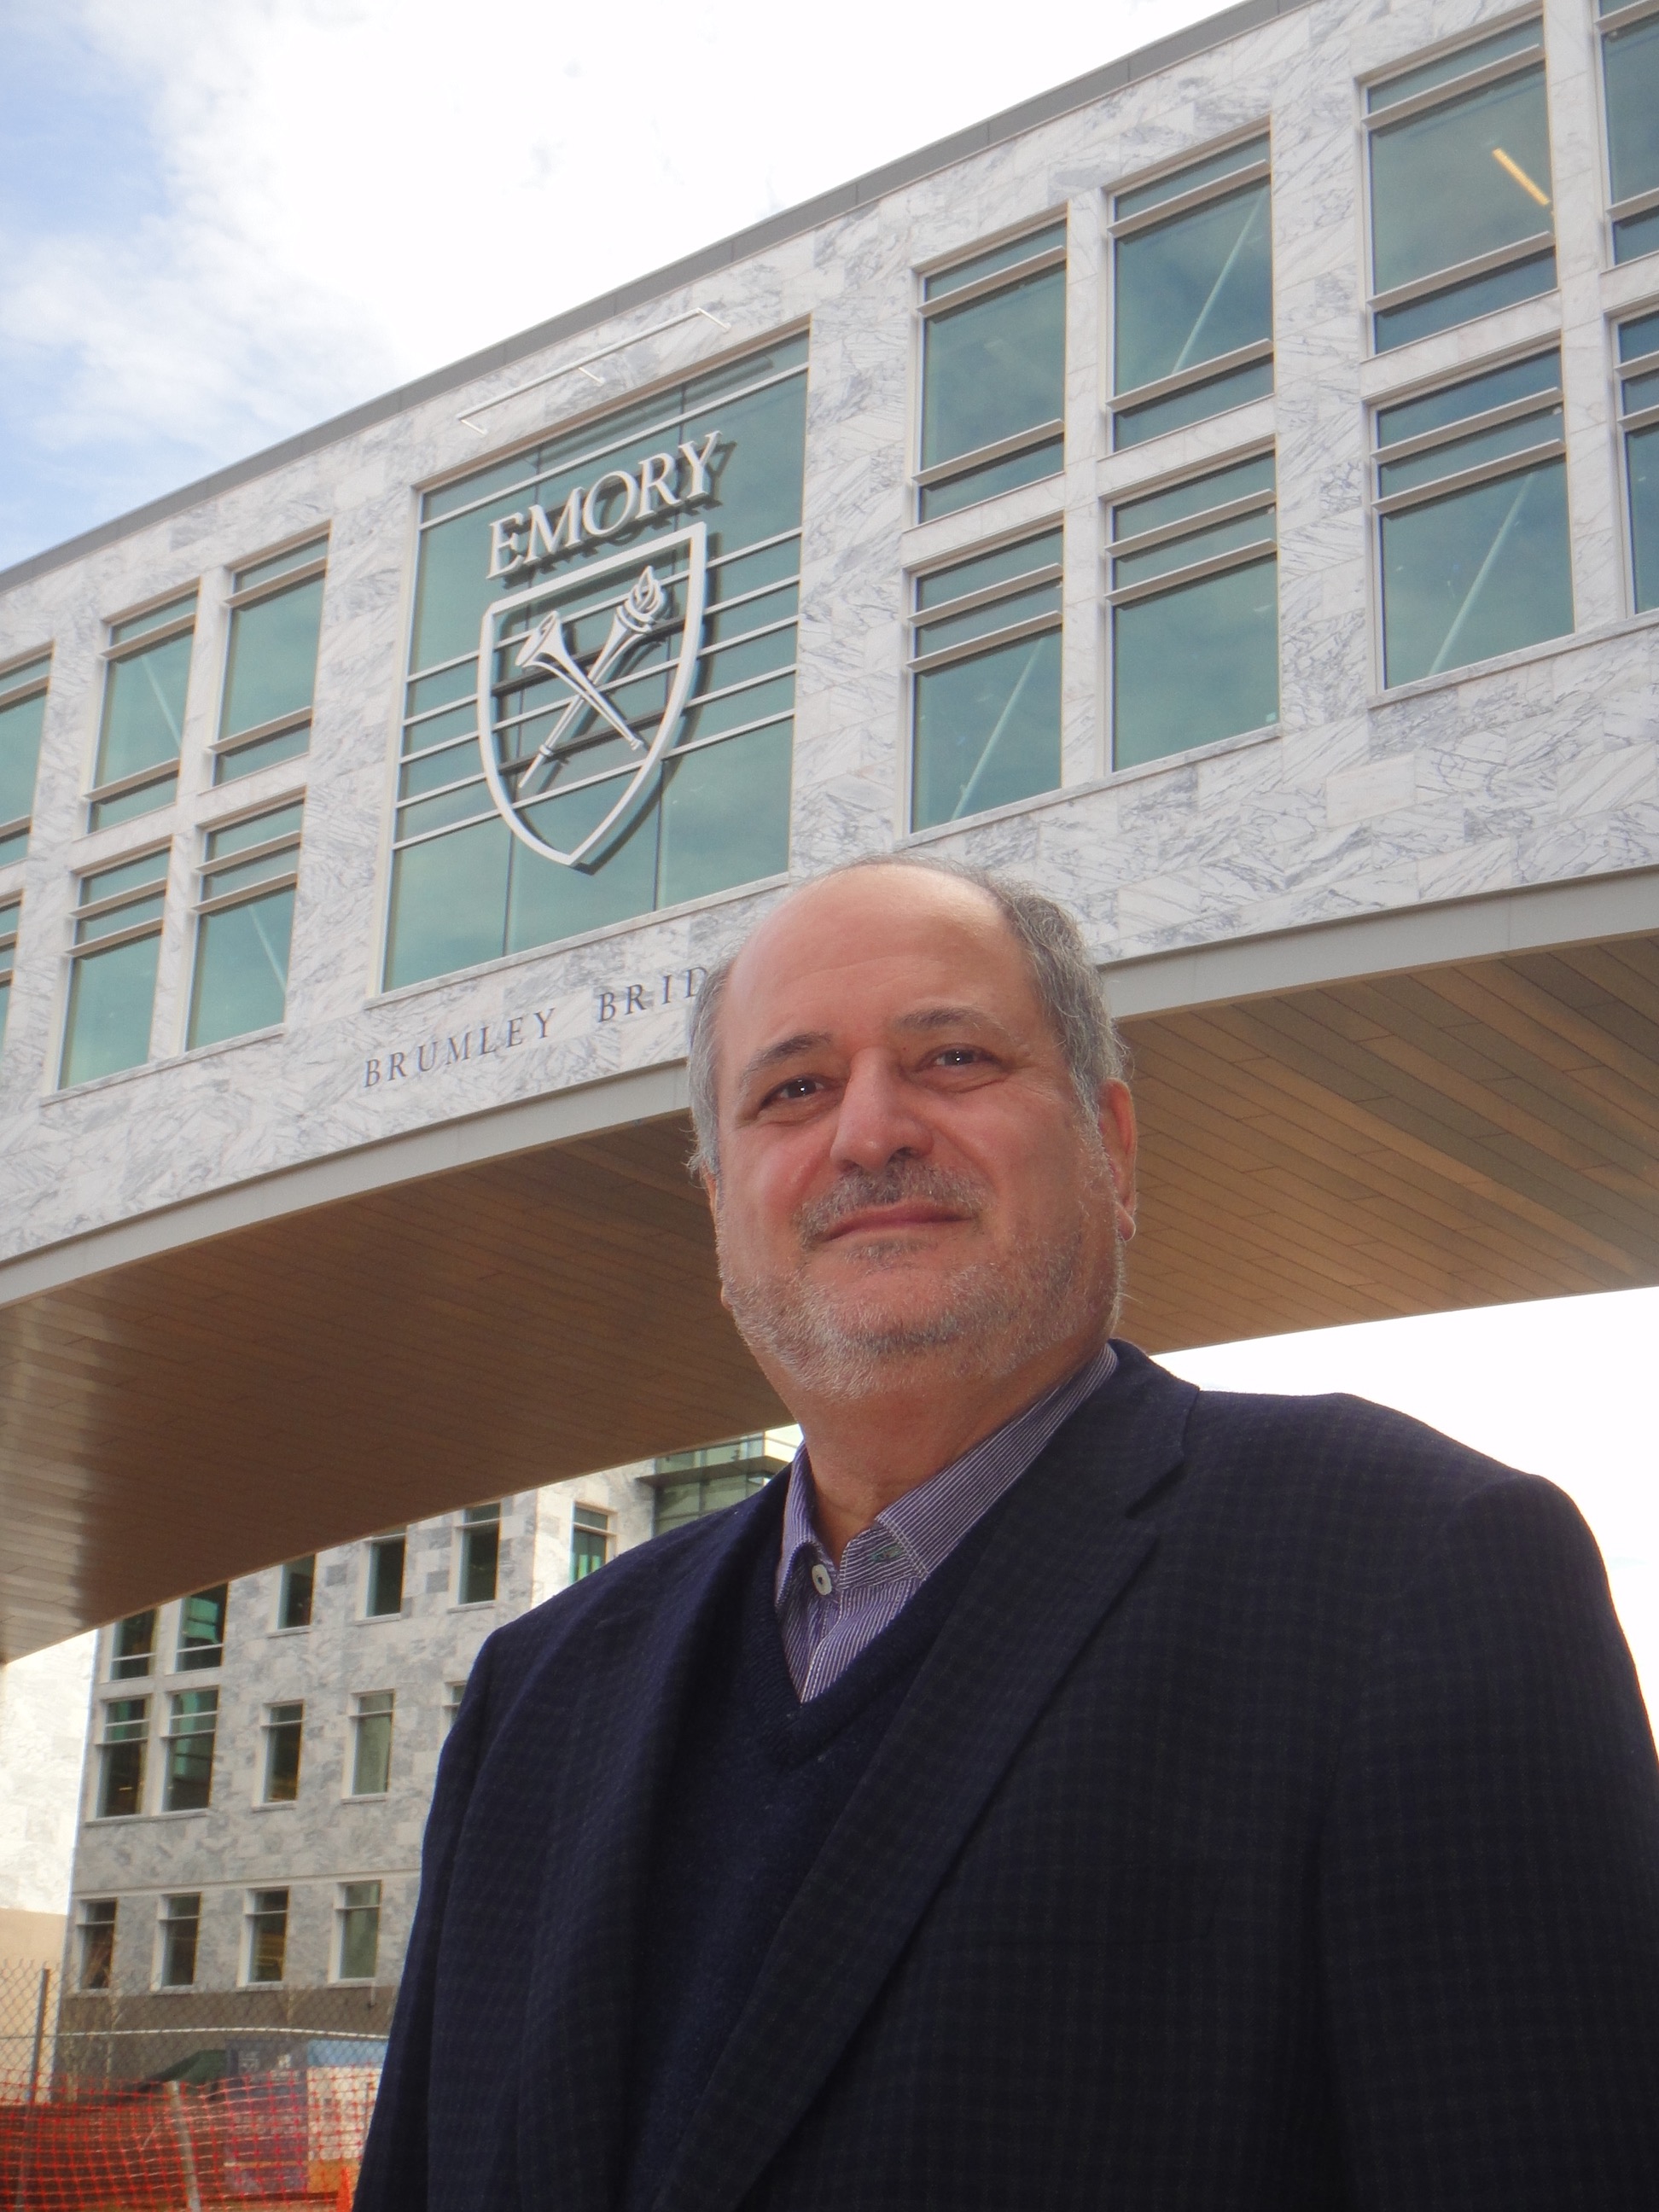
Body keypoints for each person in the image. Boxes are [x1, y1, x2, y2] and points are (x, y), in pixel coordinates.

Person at [356, 855, 1659, 2212]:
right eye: (792, 1089)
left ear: (1115, 1146)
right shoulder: (536, 1697)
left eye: (954, 1057)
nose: (869, 1134)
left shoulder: (1414, 1574)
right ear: (719, 1207)